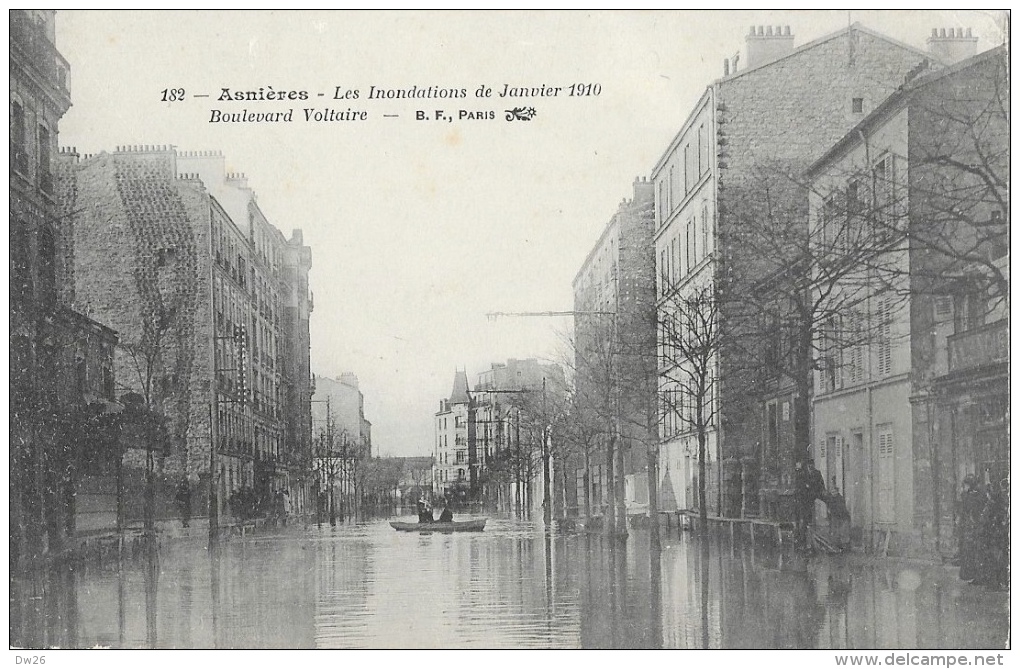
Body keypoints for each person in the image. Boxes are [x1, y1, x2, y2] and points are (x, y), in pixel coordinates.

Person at [957, 474, 985, 583]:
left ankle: (973, 574)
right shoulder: (976, 495)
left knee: (971, 552)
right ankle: (973, 574)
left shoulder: (970, 496)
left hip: (972, 528)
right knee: (971, 552)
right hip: (972, 528)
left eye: (966, 484)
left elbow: (968, 510)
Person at [794, 460, 826, 552]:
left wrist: (821, 492)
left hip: (814, 498)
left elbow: (821, 484)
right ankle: (803, 543)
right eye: (809, 465)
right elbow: (800, 487)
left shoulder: (817, 473)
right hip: (804, 500)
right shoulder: (802, 474)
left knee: (810, 521)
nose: (811, 467)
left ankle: (811, 542)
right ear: (807, 466)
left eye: (812, 465)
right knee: (804, 521)